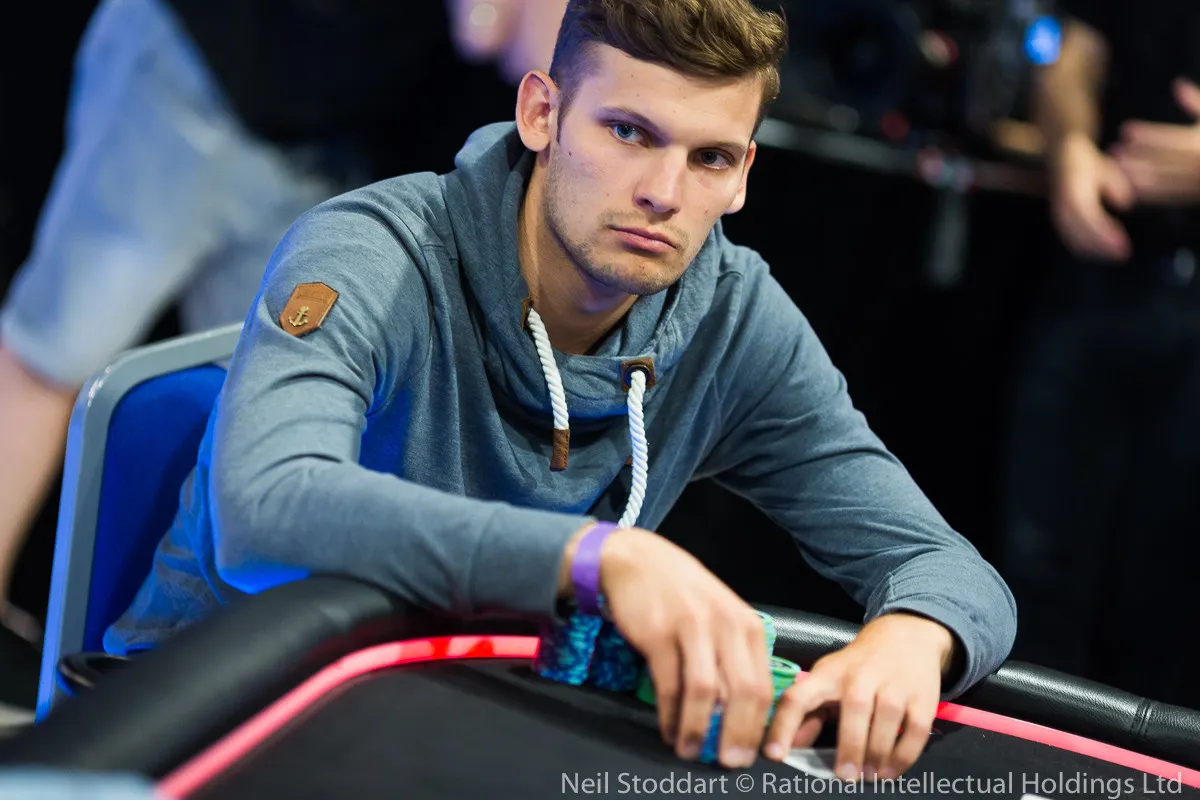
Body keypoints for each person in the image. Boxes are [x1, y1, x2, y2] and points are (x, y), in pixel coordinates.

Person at [105, 0, 1018, 780]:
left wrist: (914, 635)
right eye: (629, 132)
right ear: (541, 113)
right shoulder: (374, 249)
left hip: (475, 723)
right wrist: (593, 561)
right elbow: (264, 509)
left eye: (708, 157)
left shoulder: (734, 317)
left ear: (743, 174)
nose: (663, 192)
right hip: (216, 714)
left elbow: (945, 566)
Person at [0, 0, 567, 644]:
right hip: (195, 72)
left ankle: (204, 667)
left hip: (314, 132)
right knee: (51, 358)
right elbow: (490, 25)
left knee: (250, 401)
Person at [999, 0, 1200, 708]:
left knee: (1172, 588)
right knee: (1037, 560)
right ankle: (1019, 751)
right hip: (1103, 270)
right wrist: (1072, 149)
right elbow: (1068, 47)